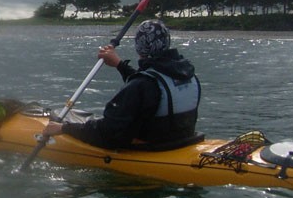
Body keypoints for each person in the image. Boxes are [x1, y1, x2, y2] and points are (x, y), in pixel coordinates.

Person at [43, 18, 201, 149]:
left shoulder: (141, 85)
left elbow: (108, 134)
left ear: (140, 46)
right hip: (182, 141)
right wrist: (119, 64)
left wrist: (64, 128)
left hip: (153, 149)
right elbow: (151, 91)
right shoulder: (187, 74)